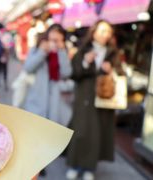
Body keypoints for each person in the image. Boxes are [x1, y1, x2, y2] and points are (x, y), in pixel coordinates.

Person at [66, 20, 123, 180]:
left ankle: (89, 167)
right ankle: (74, 164)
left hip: (104, 100)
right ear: (94, 32)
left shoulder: (112, 52)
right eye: (103, 30)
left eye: (108, 32)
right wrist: (86, 62)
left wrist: (111, 70)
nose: (106, 35)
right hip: (84, 96)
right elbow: (74, 73)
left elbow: (121, 73)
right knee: (80, 131)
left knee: (97, 134)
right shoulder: (83, 50)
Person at [23, 24, 72, 122]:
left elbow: (66, 73)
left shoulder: (63, 51)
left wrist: (62, 52)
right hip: (37, 100)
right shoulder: (37, 48)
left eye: (58, 39)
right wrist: (42, 52)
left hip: (56, 102)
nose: (54, 42)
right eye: (52, 38)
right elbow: (28, 68)